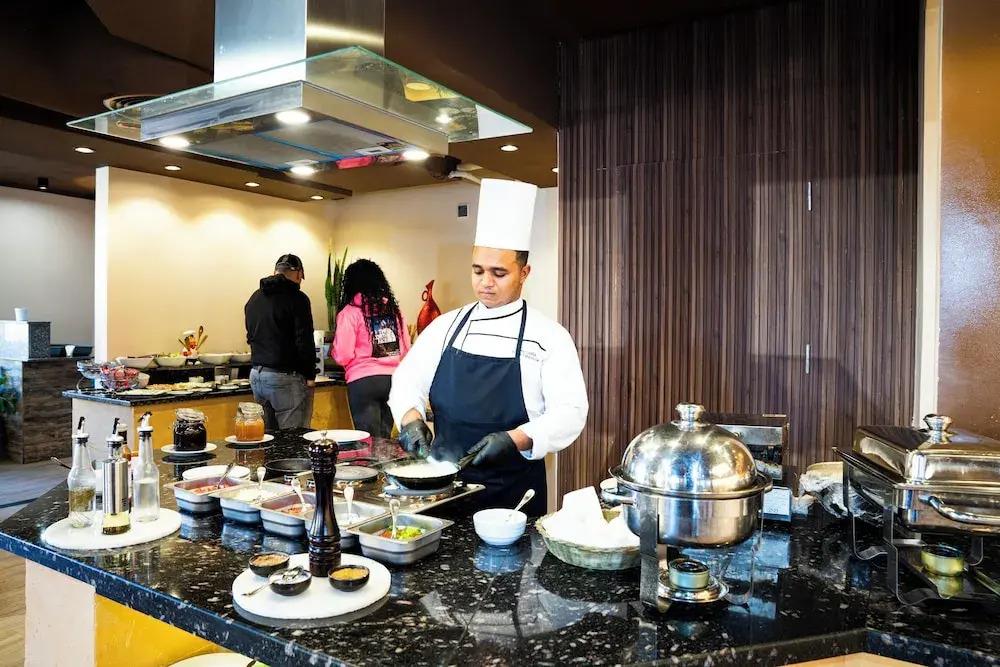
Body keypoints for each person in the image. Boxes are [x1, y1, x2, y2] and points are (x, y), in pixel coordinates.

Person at [388, 179, 589, 517]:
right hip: (444, 489)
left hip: (513, 494)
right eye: (478, 270)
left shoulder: (548, 336)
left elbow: (571, 412)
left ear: (524, 273)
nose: (485, 283)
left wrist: (516, 438)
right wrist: (411, 419)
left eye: (499, 273)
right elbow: (407, 381)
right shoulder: (446, 327)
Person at [332, 259, 411, 438]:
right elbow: (406, 350)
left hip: (363, 382)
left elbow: (343, 354)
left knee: (367, 439)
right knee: (384, 439)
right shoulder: (393, 311)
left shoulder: (350, 312)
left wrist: (334, 352)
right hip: (393, 380)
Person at [245, 253, 317, 429]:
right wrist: (310, 376)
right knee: (294, 438)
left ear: (275, 271)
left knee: (269, 439)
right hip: (285, 378)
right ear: (299, 274)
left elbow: (250, 336)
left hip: (257, 376)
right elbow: (304, 340)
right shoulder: (298, 298)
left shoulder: (254, 298)